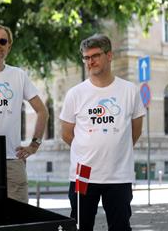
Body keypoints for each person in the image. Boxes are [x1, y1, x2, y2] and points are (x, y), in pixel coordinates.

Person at [59, 34, 146, 231]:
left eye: (95, 56)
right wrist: (87, 150)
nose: (91, 61)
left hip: (118, 175)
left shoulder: (129, 91)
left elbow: (136, 131)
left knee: (120, 227)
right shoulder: (75, 93)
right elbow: (66, 134)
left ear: (109, 56)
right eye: (86, 58)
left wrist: (116, 149)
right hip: (83, 176)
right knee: (81, 226)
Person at [0, 24, 49, 203]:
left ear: (9, 46)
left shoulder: (18, 75)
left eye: (2, 41)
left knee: (19, 218)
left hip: (13, 159)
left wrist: (34, 145)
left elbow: (42, 111)